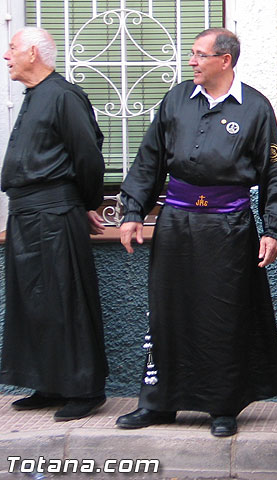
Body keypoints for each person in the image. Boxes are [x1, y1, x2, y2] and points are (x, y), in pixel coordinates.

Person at [115, 28, 277, 437]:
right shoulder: (176, 100)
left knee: (224, 315)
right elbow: (150, 159)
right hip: (177, 224)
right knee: (168, 313)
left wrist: (274, 230)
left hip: (229, 228)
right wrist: (132, 211)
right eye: (192, 54)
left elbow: (273, 173)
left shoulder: (255, 108)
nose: (192, 62)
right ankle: (159, 403)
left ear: (225, 60)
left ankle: (222, 405)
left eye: (200, 55)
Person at [0, 27, 108, 421]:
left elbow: (88, 156)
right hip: (26, 215)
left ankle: (84, 389)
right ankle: (48, 383)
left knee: (66, 300)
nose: (6, 56)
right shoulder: (34, 96)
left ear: (33, 53)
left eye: (12, 49)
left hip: (55, 213)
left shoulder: (64, 95)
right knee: (33, 302)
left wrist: (86, 202)